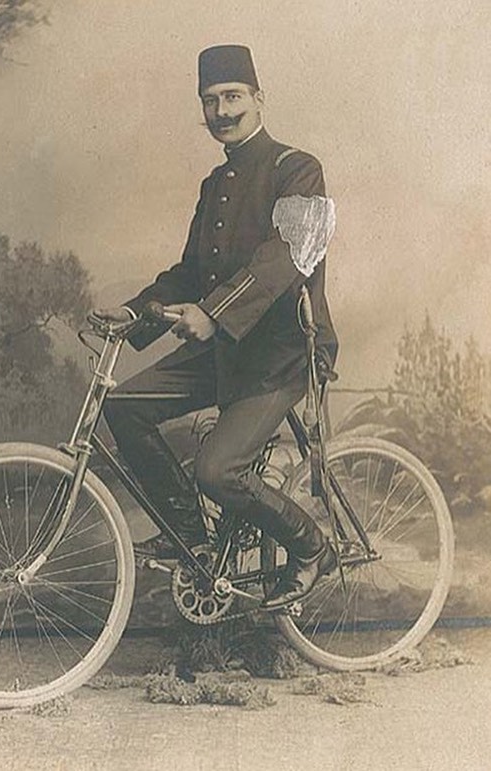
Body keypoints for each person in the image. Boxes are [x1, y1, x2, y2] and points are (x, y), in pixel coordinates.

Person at [95, 44, 339, 610]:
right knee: (126, 406)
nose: (222, 111)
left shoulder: (297, 169)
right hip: (225, 350)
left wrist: (214, 315)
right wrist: (136, 312)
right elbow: (189, 273)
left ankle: (312, 549)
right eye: (210, 101)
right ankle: (193, 542)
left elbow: (287, 258)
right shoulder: (215, 184)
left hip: (280, 353)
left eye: (232, 98)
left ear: (259, 99)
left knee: (217, 469)